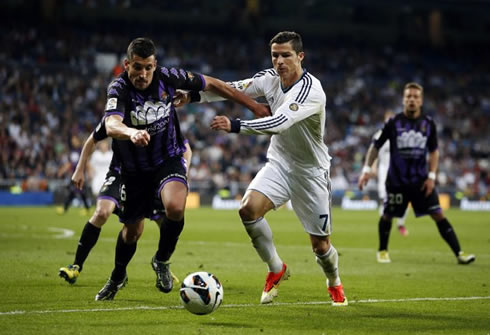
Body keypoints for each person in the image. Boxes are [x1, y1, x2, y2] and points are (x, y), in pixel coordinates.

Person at [95, 37, 270, 301]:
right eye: (138, 67)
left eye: (148, 68)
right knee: (132, 231)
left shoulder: (168, 77)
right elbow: (111, 125)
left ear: (156, 65)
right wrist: (131, 132)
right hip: (133, 170)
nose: (143, 74)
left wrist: (254, 106)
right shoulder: (118, 89)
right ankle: (117, 276)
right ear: (126, 64)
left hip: (168, 158)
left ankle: (162, 260)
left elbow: (214, 84)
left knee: (175, 207)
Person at [204, 31, 347, 306]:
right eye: (275, 55)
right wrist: (190, 96)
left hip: (310, 172)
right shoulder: (269, 79)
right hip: (280, 163)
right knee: (248, 209)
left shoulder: (311, 90)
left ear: (300, 57)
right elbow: (231, 88)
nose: (279, 61)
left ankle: (334, 282)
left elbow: (279, 122)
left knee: (321, 247)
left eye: (286, 55)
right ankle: (275, 268)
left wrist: (236, 125)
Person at [58, 117, 191, 285]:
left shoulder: (157, 113)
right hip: (119, 173)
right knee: (101, 212)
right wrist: (80, 168)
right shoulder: (116, 114)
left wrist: (182, 174)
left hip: (147, 177)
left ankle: (161, 263)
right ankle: (75, 266)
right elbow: (92, 139)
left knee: (157, 223)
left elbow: (185, 147)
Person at [358, 82, 475, 265]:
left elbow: (434, 151)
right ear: (404, 100)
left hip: (421, 182)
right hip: (397, 182)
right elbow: (376, 146)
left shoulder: (428, 124)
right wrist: (366, 170)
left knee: (438, 214)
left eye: (415, 97)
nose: (412, 100)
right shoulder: (393, 123)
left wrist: (432, 176)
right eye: (408, 97)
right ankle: (382, 251)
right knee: (388, 214)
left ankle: (460, 253)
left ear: (421, 101)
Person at [370, 110, 409, 237]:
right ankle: (384, 223)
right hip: (384, 169)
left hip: (398, 169)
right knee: (384, 198)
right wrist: (373, 167)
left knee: (405, 197)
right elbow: (374, 152)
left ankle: (401, 224)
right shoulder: (379, 134)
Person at [56, 135, 91, 216]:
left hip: (80, 174)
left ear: (78, 141)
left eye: (75, 140)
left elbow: (86, 161)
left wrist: (89, 172)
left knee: (79, 192)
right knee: (74, 192)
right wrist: (62, 170)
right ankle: (85, 209)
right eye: (72, 141)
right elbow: (69, 164)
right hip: (74, 175)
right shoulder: (72, 152)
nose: (73, 142)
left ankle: (85, 209)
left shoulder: (82, 150)